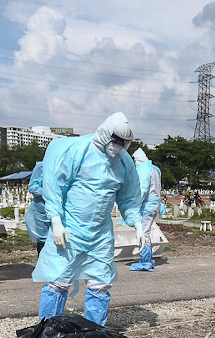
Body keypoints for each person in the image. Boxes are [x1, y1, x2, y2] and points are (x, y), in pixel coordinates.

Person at [32, 112, 143, 326]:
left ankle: (93, 334)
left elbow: (129, 195)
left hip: (100, 233)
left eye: (123, 142)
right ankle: (47, 331)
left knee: (100, 283)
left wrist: (137, 223)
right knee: (59, 280)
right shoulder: (79, 151)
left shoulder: (123, 162)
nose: (118, 146)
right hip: (71, 228)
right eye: (115, 140)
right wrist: (56, 222)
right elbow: (55, 186)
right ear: (105, 133)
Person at [129, 148, 161, 271]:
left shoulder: (143, 169)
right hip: (154, 204)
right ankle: (148, 258)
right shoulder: (154, 169)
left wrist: (135, 204)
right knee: (147, 231)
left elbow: (142, 189)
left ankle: (145, 261)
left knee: (144, 232)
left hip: (147, 205)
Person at [23, 162, 48, 254]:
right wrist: (49, 193)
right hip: (42, 210)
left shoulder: (65, 165)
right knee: (43, 242)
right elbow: (33, 187)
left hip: (60, 210)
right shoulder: (41, 166)